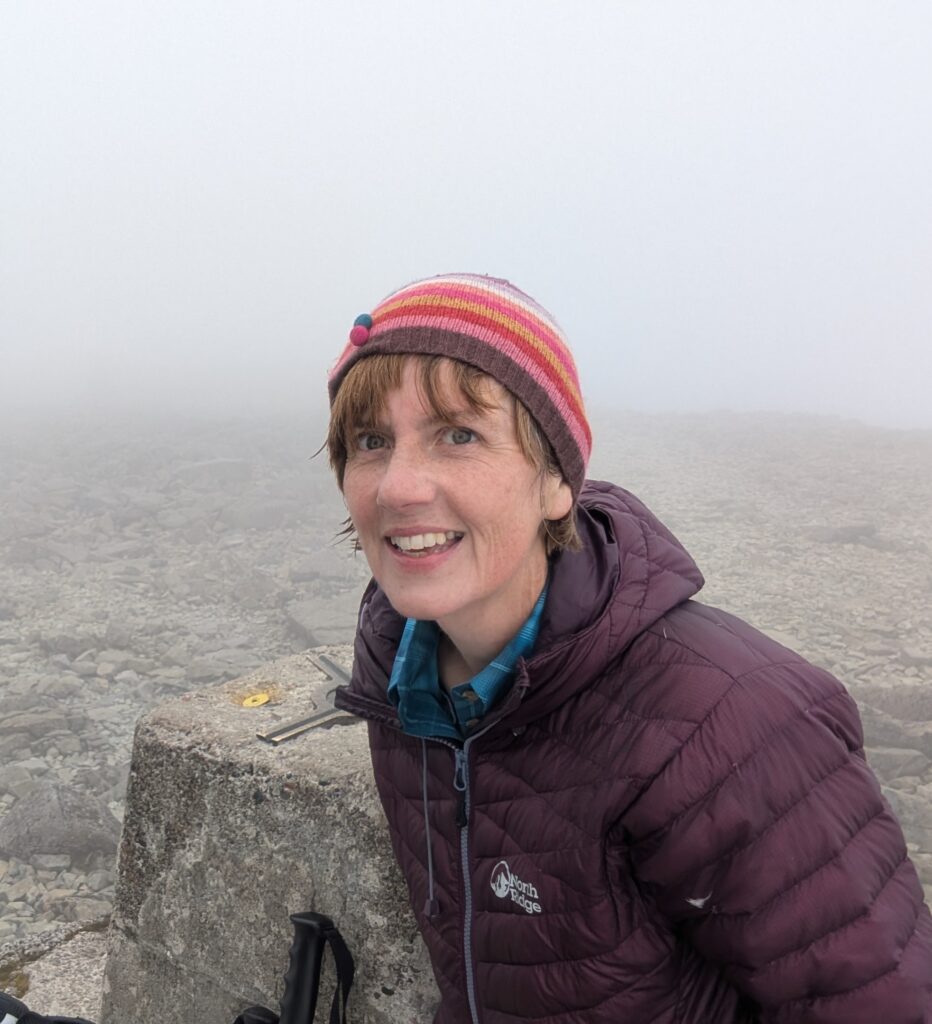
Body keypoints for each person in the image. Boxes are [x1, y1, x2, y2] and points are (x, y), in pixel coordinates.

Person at [327, 273, 932, 1023]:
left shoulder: (732, 725)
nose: (399, 486)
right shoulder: (399, 683)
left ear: (556, 481)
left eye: (459, 435)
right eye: (371, 441)